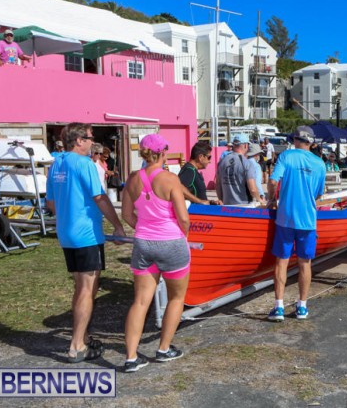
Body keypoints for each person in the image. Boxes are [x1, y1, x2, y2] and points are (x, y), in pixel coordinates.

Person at [45, 123, 126, 363]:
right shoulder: (85, 164)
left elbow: (51, 203)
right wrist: (118, 226)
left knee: (81, 286)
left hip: (67, 234)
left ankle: (83, 335)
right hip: (86, 235)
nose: (93, 142)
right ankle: (77, 345)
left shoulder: (56, 164)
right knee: (87, 289)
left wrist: (68, 215)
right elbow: (100, 197)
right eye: (90, 137)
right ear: (79, 140)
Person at [121, 134, 190, 373]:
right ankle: (163, 349)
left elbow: (127, 215)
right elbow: (183, 217)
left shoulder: (132, 179)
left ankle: (131, 358)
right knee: (176, 298)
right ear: (163, 153)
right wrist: (183, 234)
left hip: (143, 243)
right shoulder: (170, 179)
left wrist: (143, 228)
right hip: (171, 242)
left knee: (140, 301)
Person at [266, 126, 326, 321]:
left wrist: (272, 199)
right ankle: (302, 306)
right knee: (304, 263)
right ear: (311, 142)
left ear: (295, 140)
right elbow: (319, 194)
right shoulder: (320, 163)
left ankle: (279, 307)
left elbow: (273, 181)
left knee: (282, 261)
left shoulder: (286, 156)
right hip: (308, 220)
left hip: (285, 217)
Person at [216, 133, 262, 205]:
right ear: (245, 145)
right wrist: (260, 200)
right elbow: (253, 189)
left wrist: (221, 200)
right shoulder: (246, 163)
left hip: (226, 206)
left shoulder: (222, 161)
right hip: (243, 205)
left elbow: (218, 185)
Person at [178, 141, 222, 206]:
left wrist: (211, 202)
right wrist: (200, 201)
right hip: (194, 211)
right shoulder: (189, 170)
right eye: (209, 157)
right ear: (200, 157)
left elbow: (200, 198)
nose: (209, 161)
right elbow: (178, 187)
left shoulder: (192, 170)